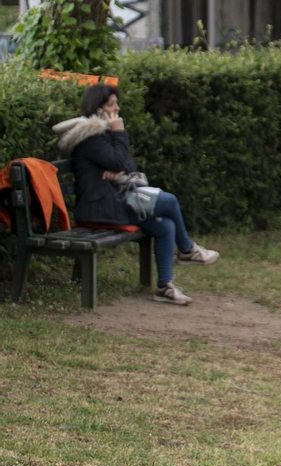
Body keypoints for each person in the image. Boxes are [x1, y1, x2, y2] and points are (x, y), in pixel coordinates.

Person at [53, 84, 219, 306]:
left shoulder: (102, 134)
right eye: (111, 105)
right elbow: (120, 161)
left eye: (116, 103)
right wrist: (119, 133)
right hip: (99, 208)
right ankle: (187, 249)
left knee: (166, 225)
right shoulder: (91, 138)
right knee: (168, 201)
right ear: (97, 109)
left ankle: (164, 287)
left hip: (111, 203)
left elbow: (127, 164)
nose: (117, 109)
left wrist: (117, 162)